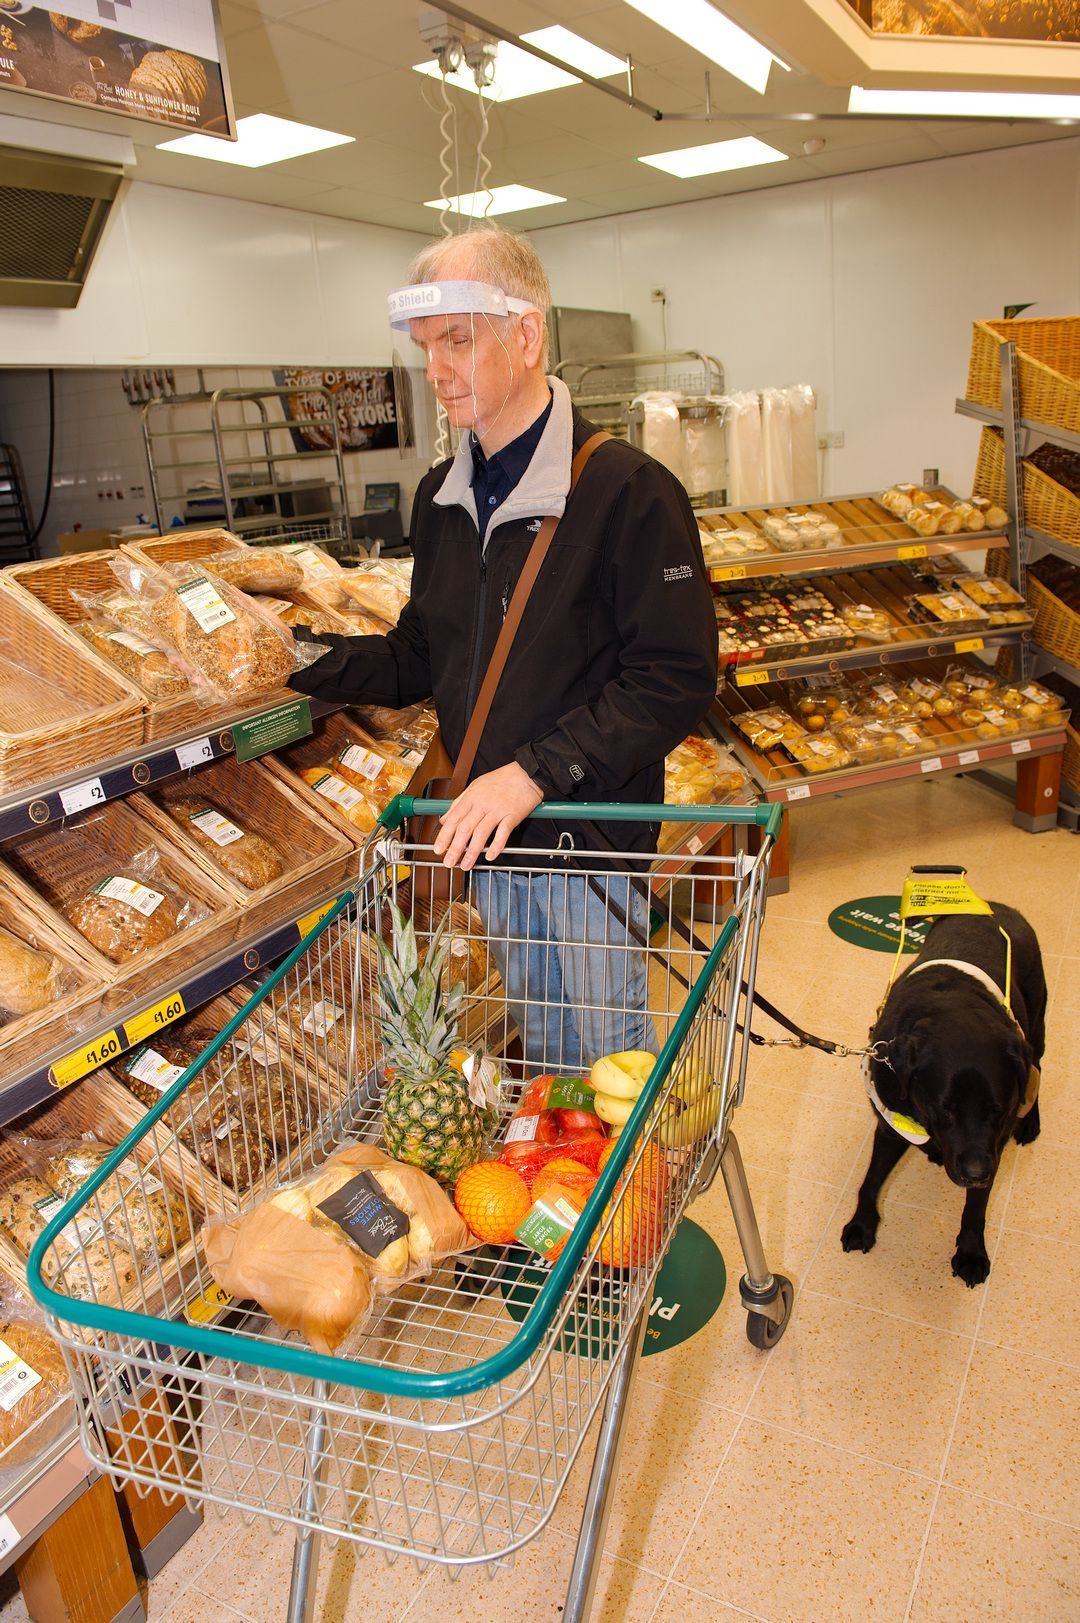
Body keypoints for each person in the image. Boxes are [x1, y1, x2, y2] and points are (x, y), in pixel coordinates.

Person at [289, 227, 717, 1070]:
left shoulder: (628, 490)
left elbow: (673, 678)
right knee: (547, 1047)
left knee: (607, 1061)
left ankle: (621, 1202)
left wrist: (532, 773)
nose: (437, 370)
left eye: (457, 339)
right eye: (425, 348)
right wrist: (297, 652)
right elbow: (424, 653)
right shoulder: (441, 498)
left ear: (525, 337)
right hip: (493, 843)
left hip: (587, 838)